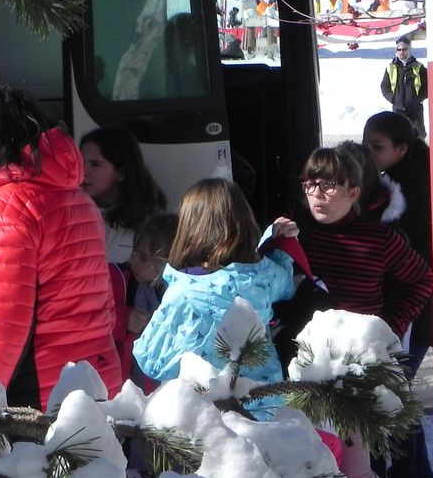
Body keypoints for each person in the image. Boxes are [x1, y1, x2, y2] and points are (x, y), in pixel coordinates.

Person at [0, 84, 121, 409]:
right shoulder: (76, 197)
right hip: (94, 390)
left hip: (39, 406)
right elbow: (105, 310)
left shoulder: (3, 209)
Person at [289, 145, 432, 478]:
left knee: (362, 469)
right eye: (310, 185)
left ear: (353, 192)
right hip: (305, 367)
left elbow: (422, 279)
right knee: (316, 463)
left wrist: (387, 329)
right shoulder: (300, 234)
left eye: (329, 186)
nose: (317, 195)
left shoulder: (378, 238)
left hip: (358, 371)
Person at [132, 178, 298, 390]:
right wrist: (272, 242)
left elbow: (154, 363)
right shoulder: (264, 276)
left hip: (205, 414)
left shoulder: (183, 293)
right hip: (263, 403)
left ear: (189, 229)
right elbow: (287, 287)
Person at [363, 111, 433, 478]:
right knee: (395, 395)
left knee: (390, 397)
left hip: (411, 309)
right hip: (412, 309)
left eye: (376, 147)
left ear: (402, 149)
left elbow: (410, 261)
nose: (368, 153)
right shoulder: (404, 179)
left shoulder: (404, 192)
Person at [109, 212, 178, 391]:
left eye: (144, 258)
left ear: (168, 263)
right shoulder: (119, 280)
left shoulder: (181, 294)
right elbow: (93, 317)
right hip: (122, 388)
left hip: (164, 390)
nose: (133, 261)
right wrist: (124, 318)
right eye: (135, 253)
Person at [79, 126, 166, 263]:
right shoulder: (73, 211)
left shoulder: (147, 219)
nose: (83, 172)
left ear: (121, 173)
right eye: (80, 163)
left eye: (95, 165)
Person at [380, 36, 428, 138]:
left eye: (405, 49)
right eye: (399, 49)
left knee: (419, 136)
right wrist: (394, 99)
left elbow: (428, 86)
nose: (402, 52)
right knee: (398, 137)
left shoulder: (418, 67)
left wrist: (418, 99)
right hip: (398, 109)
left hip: (415, 109)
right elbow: (385, 86)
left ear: (409, 50)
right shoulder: (391, 68)